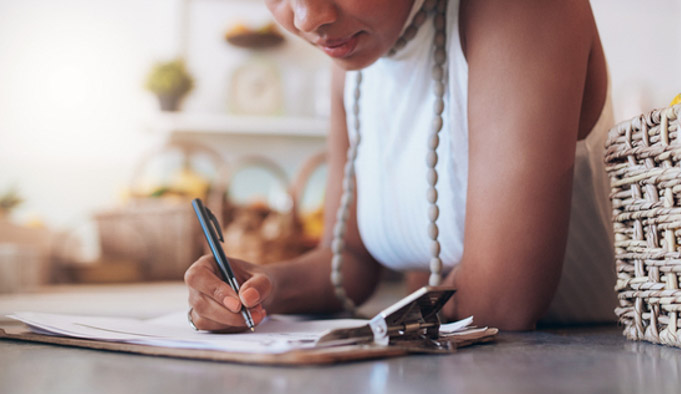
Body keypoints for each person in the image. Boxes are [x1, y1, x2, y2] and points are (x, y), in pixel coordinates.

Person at [184, 0, 619, 332]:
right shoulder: (354, 56)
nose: (306, 17)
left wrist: (420, 287)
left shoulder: (521, 11)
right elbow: (348, 261)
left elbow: (503, 301)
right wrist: (259, 288)